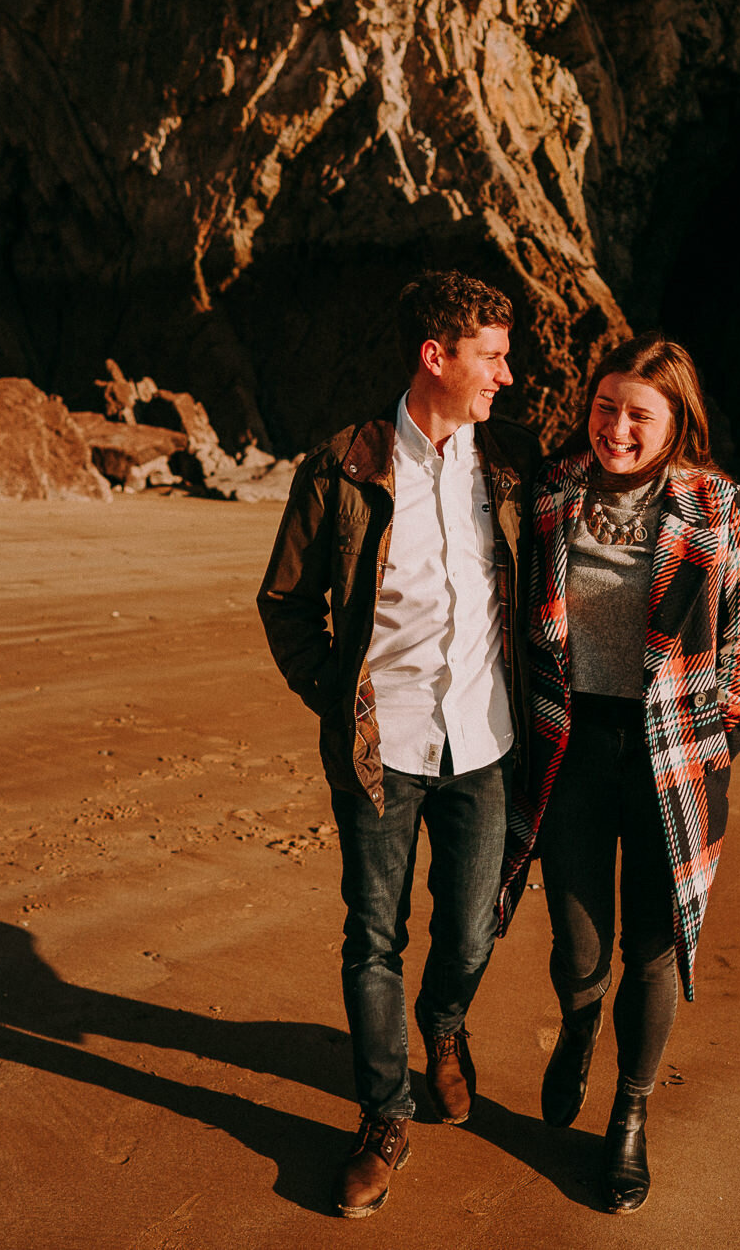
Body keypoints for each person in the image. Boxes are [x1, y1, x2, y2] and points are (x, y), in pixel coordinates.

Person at [256, 270, 541, 1218]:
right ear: (438, 357)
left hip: (485, 741)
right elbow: (287, 604)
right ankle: (384, 1114)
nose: (507, 373)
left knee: (470, 927)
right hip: (384, 750)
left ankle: (446, 1021)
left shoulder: (508, 468)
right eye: (492, 356)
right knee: (373, 936)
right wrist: (339, 700)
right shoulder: (343, 466)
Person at [496, 334, 740, 1214]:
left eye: (638, 415)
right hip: (571, 743)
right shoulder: (553, 490)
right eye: (606, 407)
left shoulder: (714, 503)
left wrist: (723, 733)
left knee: (654, 945)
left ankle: (629, 1116)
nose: (616, 428)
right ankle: (578, 1027)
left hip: (673, 757)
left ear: (676, 422)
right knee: (580, 945)